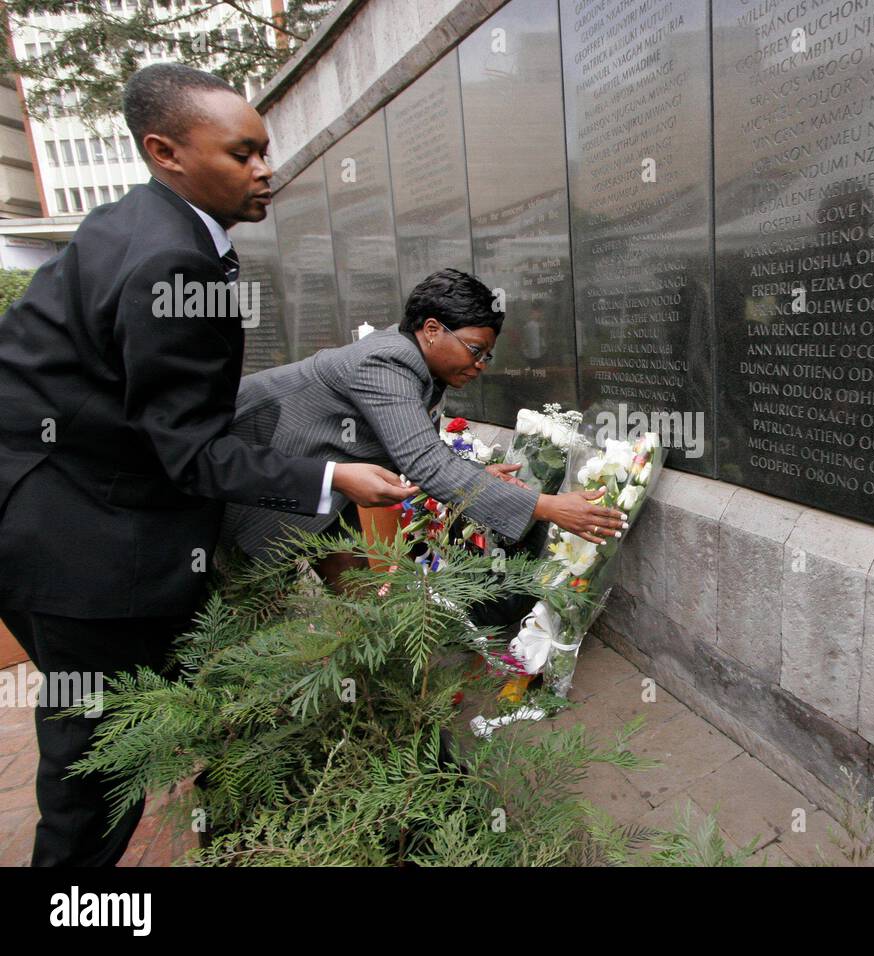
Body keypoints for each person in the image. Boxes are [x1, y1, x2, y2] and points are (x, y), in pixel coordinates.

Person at [0, 63, 410, 866]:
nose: (266, 170)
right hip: (79, 548)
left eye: (265, 150)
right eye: (242, 154)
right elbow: (187, 448)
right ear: (166, 151)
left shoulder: (137, 222)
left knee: (168, 711)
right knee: (98, 761)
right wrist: (334, 477)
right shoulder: (171, 263)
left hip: (40, 505)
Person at [221, 268, 627, 574]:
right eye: (475, 349)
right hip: (238, 486)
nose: (480, 365)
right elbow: (425, 463)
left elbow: (415, 448)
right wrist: (547, 507)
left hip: (316, 497)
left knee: (355, 601)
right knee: (236, 622)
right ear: (432, 330)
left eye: (488, 355)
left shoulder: (421, 368)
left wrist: (480, 474)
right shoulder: (388, 360)